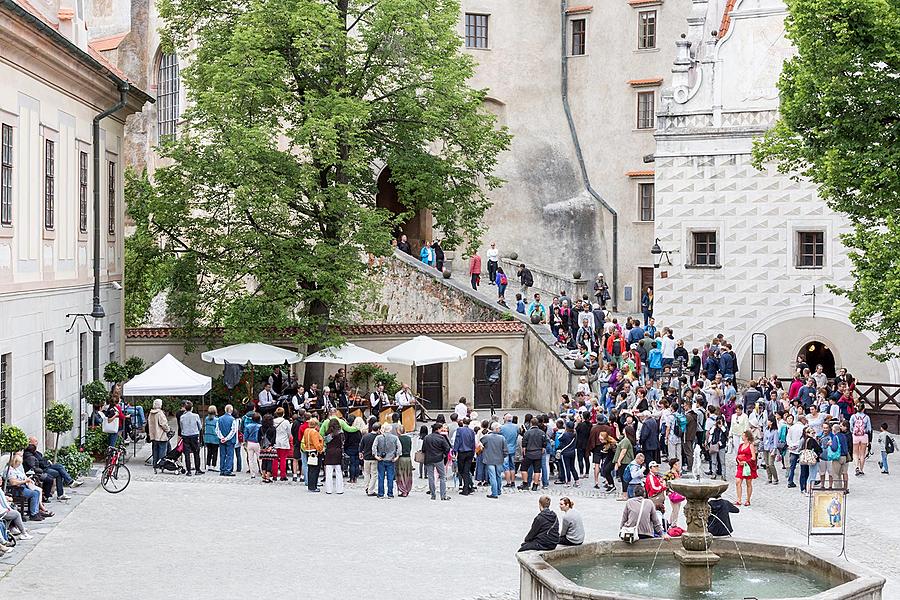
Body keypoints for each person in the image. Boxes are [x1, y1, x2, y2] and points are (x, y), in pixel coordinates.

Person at [3, 453, 48, 521]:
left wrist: (28, 480)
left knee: (37, 492)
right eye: (18, 463)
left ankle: (35, 512)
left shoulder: (15, 469)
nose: (18, 465)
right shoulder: (9, 470)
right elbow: (13, 482)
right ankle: (33, 514)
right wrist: (24, 481)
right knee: (34, 494)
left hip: (22, 487)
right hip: (17, 489)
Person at [422, 422, 452, 500]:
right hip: (438, 458)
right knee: (442, 476)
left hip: (428, 459)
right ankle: (443, 495)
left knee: (431, 477)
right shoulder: (441, 438)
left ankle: (433, 494)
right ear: (438, 429)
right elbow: (447, 448)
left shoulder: (426, 438)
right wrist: (444, 455)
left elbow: (423, 449)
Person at [374, 422, 402, 498]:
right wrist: (397, 456)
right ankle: (390, 493)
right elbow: (399, 448)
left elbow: (374, 447)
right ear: (390, 429)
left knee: (381, 477)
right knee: (390, 477)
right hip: (391, 459)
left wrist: (376, 456)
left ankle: (381, 494)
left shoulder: (378, 437)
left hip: (381, 459)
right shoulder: (395, 438)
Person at [519, 418, 546, 491]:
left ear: (531, 423)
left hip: (529, 453)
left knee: (524, 469)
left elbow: (524, 444)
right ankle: (535, 485)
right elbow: (544, 444)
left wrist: (524, 452)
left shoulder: (527, 433)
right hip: (538, 453)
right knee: (537, 470)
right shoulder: (542, 433)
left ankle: (525, 484)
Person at [453, 417, 476, 495]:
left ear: (463, 422)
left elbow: (457, 441)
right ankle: (468, 486)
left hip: (462, 452)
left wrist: (454, 450)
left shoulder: (459, 430)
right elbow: (473, 443)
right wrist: (473, 452)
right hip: (470, 452)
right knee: (466, 470)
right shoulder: (471, 431)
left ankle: (466, 488)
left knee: (461, 470)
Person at [179, 401, 203, 476]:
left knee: (187, 453)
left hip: (185, 435)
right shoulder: (196, 416)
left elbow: (181, 426)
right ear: (192, 408)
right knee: (196, 452)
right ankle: (197, 469)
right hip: (194, 435)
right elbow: (200, 426)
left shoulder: (182, 417)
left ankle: (188, 470)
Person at [734, 430, 757, 506]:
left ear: (746, 437)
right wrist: (738, 460)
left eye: (743, 435)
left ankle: (748, 500)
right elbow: (738, 454)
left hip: (748, 466)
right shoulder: (741, 445)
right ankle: (739, 499)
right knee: (738, 482)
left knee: (748, 483)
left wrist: (746, 461)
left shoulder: (751, 445)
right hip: (740, 465)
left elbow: (753, 457)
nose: (742, 436)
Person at [301, 417, 324, 492]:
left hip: (308, 451)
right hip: (315, 452)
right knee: (315, 469)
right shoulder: (314, 432)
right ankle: (313, 486)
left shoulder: (306, 430)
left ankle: (310, 486)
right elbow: (316, 444)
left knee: (310, 469)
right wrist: (321, 448)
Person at [148, 399, 171, 473]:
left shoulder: (151, 413)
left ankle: (155, 464)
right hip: (161, 435)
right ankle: (161, 464)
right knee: (162, 451)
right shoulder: (160, 413)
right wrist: (168, 430)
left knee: (155, 450)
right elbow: (163, 424)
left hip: (153, 435)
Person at [323, 417, 345, 494]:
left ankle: (329, 490)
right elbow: (343, 443)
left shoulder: (327, 433)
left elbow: (325, 442)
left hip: (329, 453)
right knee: (339, 472)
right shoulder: (341, 433)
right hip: (338, 452)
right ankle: (340, 489)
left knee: (329, 473)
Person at [215, 404, 238, 477]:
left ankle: (222, 469)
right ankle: (228, 470)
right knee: (230, 455)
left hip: (222, 440)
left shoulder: (219, 418)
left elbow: (217, 429)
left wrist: (222, 437)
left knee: (222, 455)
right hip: (230, 440)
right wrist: (227, 438)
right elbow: (233, 430)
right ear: (231, 410)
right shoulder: (232, 419)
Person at [849, 404, 872, 476]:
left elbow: (851, 427)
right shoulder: (867, 417)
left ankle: (856, 466)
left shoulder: (853, 416)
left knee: (855, 453)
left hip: (855, 436)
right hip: (864, 436)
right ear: (863, 409)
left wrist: (854, 432)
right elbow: (869, 429)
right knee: (862, 454)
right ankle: (861, 469)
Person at [272, 407, 292, 481]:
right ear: (283, 413)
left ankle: (274, 475)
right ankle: (283, 475)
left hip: (275, 442)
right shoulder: (286, 422)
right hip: (284, 442)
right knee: (283, 459)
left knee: (275, 459)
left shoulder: (273, 421)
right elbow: (289, 433)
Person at [761, 415, 780, 485]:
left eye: (769, 421)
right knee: (767, 464)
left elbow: (775, 442)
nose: (767, 422)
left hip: (771, 448)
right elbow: (764, 439)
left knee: (771, 464)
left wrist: (774, 450)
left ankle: (776, 478)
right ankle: (769, 478)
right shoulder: (766, 429)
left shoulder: (775, 431)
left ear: (771, 422)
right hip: (765, 448)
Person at [396, 426, 414, 497]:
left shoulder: (398, 439)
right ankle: (407, 488)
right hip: (408, 458)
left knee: (401, 475)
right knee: (408, 474)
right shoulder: (409, 438)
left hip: (401, 458)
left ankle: (403, 490)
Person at [244, 412, 262, 479]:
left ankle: (252, 474)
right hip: (257, 443)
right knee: (260, 458)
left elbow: (245, 436)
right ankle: (262, 471)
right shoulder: (260, 426)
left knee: (250, 459)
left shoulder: (248, 426)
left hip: (250, 442)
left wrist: (245, 442)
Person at [203, 406, 220, 471]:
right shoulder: (217, 420)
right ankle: (213, 465)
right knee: (215, 452)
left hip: (207, 438)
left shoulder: (206, 419)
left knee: (209, 452)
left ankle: (208, 464)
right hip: (215, 438)